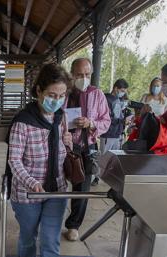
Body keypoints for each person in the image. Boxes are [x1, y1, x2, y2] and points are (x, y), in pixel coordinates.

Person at [7, 63, 73, 257]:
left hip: (55, 189)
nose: (56, 101)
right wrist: (31, 183)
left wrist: (68, 141)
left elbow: (62, 152)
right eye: (51, 95)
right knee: (29, 234)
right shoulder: (23, 122)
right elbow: (14, 160)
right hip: (27, 193)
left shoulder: (61, 117)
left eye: (61, 96)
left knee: (50, 241)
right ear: (38, 91)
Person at [64, 58, 111, 241]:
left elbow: (106, 121)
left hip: (86, 147)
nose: (83, 78)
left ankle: (73, 225)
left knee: (81, 188)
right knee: (55, 184)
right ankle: (49, 221)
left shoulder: (97, 94)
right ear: (72, 74)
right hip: (64, 145)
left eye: (87, 75)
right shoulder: (65, 93)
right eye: (79, 75)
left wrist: (91, 123)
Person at [102, 78, 132, 153]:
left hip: (116, 135)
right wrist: (122, 121)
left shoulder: (118, 100)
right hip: (108, 135)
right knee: (104, 159)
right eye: (122, 91)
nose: (123, 93)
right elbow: (106, 118)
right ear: (115, 88)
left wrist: (125, 120)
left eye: (124, 92)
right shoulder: (106, 99)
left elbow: (118, 115)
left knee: (114, 160)